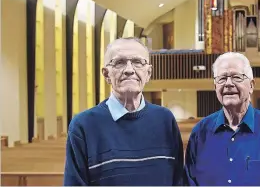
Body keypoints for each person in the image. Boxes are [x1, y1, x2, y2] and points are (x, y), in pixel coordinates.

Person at [63, 38, 185, 186]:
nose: (129, 70)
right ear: (106, 74)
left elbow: (178, 181)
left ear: (149, 73)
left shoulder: (165, 120)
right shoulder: (83, 125)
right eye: (119, 62)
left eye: (137, 62)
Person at [185, 52, 260, 186]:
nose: (228, 83)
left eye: (236, 77)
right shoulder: (200, 132)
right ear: (215, 86)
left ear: (251, 85)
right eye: (222, 78)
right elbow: (189, 181)